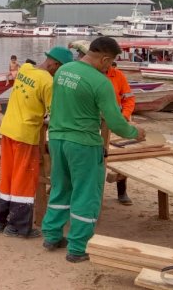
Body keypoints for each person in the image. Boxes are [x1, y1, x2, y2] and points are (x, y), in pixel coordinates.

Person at [41, 37, 145, 263]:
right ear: (105, 58)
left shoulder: (63, 71)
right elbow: (116, 122)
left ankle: (51, 235)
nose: (110, 68)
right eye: (111, 63)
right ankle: (77, 248)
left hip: (57, 139)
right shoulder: (101, 83)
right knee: (86, 194)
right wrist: (135, 133)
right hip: (83, 144)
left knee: (60, 188)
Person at [0, 46, 74, 238]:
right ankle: (18, 227)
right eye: (60, 68)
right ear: (55, 64)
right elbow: (55, 113)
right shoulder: (48, 82)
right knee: (24, 178)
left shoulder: (26, 70)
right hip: (25, 134)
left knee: (8, 175)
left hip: (8, 129)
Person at [105, 61, 136, 205]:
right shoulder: (90, 74)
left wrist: (124, 116)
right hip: (94, 121)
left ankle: (122, 191)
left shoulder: (118, 76)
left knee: (123, 153)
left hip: (116, 120)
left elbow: (129, 98)